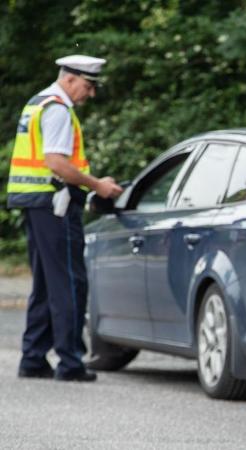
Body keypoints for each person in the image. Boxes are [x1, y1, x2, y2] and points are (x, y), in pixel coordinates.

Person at [7, 55, 123, 382]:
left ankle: (33, 358)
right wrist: (97, 185)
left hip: (37, 205)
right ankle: (70, 362)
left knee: (45, 283)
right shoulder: (58, 109)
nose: (91, 94)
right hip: (54, 206)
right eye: (88, 86)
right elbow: (56, 163)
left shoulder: (38, 102)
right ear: (70, 79)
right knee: (70, 283)